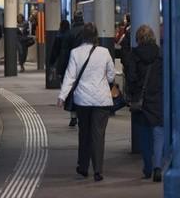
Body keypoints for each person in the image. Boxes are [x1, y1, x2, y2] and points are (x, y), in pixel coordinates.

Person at [57, 22, 115, 182]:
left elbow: (70, 76)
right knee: (98, 135)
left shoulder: (75, 53)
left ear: (83, 36)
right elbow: (111, 75)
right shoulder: (104, 52)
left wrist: (62, 96)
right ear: (96, 36)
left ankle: (83, 167)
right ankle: (98, 170)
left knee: (84, 133)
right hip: (102, 100)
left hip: (82, 100)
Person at [122, 24, 163, 182]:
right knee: (158, 133)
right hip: (158, 97)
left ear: (138, 39)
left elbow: (131, 77)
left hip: (142, 99)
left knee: (145, 135)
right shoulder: (160, 53)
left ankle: (147, 167)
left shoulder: (135, 55)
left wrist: (132, 94)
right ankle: (158, 166)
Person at [57, 10, 85, 127]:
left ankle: (73, 116)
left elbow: (64, 53)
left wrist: (60, 70)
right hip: (86, 65)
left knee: (72, 91)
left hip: (72, 64)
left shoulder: (69, 33)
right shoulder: (88, 31)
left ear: (73, 18)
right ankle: (83, 115)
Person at [48, 19, 70, 83]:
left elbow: (55, 51)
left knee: (63, 77)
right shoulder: (71, 35)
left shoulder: (59, 36)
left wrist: (52, 62)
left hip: (61, 59)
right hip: (70, 59)